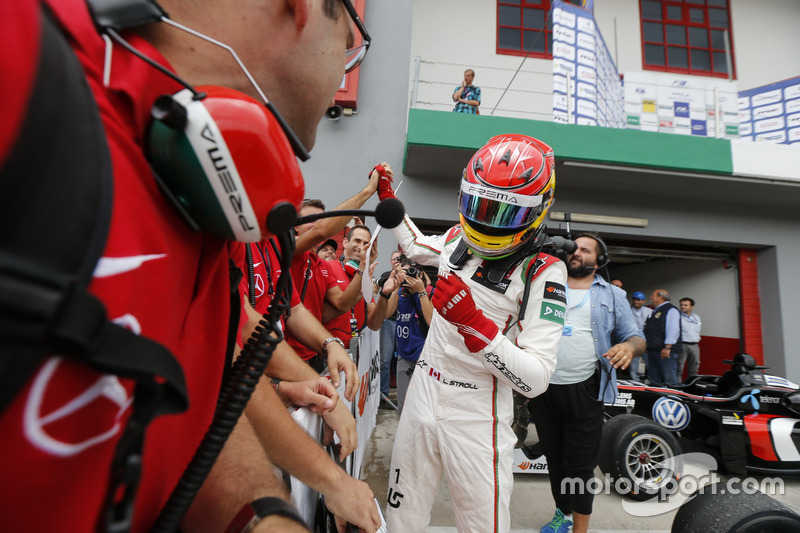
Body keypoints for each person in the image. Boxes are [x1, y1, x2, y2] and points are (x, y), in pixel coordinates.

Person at [0, 1, 381, 532]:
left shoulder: (192, 181)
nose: (345, 67)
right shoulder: (21, 54)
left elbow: (194, 394)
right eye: (349, 44)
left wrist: (262, 516)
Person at [381, 135, 567, 533]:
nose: (487, 220)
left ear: (539, 209)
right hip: (423, 390)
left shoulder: (544, 270)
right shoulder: (455, 237)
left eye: (504, 212)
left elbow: (535, 380)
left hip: (478, 409)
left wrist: (472, 323)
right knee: (400, 514)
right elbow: (416, 246)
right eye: (481, 204)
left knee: (482, 527)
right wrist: (391, 206)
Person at [533, 234, 645, 533]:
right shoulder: (545, 286)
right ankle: (563, 514)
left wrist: (630, 348)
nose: (576, 253)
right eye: (573, 248)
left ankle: (580, 528)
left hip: (586, 387)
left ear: (600, 261)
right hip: (543, 386)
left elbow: (636, 336)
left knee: (580, 463)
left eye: (585, 250)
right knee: (555, 458)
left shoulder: (612, 295)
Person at [377, 260, 433, 412]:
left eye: (410, 273)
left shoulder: (429, 291)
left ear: (420, 274)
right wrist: (396, 285)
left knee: (422, 407)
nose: (407, 277)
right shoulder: (401, 294)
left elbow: (430, 320)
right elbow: (387, 314)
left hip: (423, 356)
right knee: (403, 407)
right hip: (404, 356)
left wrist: (420, 291)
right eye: (403, 273)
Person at [378, 250, 404, 405]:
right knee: (385, 361)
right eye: (394, 259)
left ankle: (403, 395)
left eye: (400, 259)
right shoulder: (386, 275)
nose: (397, 261)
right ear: (390, 262)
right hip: (388, 322)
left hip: (404, 322)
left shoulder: (408, 275)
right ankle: (383, 396)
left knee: (403, 361)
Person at [643, 289, 682, 387]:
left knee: (670, 380)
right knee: (654, 379)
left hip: (665, 351)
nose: (650, 298)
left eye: (653, 296)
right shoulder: (655, 311)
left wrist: (667, 347)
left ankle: (673, 400)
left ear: (660, 297)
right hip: (654, 350)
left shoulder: (671, 310)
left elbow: (673, 330)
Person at [628, 291, 652, 381]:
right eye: (634, 299)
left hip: (646, 341)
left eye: (639, 300)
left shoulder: (650, 311)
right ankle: (634, 380)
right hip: (632, 340)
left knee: (649, 362)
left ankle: (650, 380)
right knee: (634, 362)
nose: (636, 301)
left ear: (643, 301)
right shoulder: (627, 310)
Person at [678, 297, 702, 381]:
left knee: (694, 369)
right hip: (682, 345)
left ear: (692, 307)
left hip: (695, 345)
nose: (682, 307)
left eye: (685, 305)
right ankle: (677, 387)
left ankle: (691, 387)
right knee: (679, 368)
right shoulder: (677, 317)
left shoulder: (697, 318)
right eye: (681, 305)